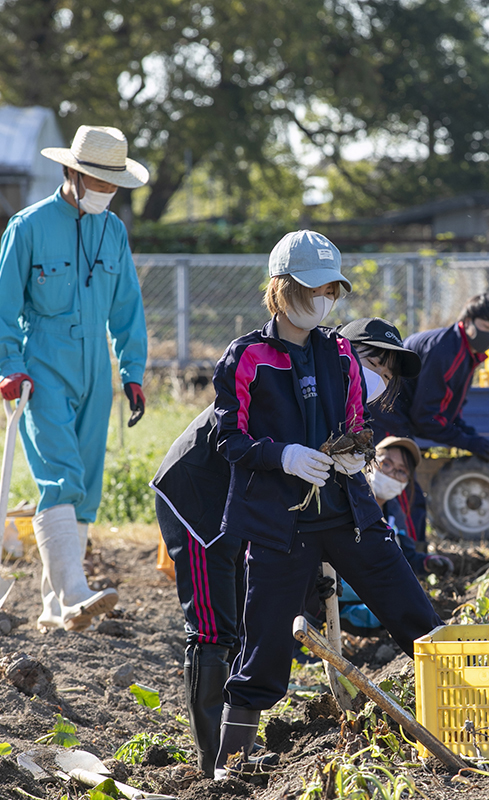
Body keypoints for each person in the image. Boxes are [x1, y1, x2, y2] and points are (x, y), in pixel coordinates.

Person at [212, 229, 442, 778]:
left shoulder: (339, 354)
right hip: (279, 524)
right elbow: (229, 439)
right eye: (312, 289)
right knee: (265, 641)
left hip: (348, 513)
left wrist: (352, 454)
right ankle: (233, 761)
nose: (322, 300)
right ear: (281, 288)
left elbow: (358, 424)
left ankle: (470, 716)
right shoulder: (248, 357)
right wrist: (284, 455)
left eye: (330, 292)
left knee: (412, 611)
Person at [151, 314, 423, 776]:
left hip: (254, 506)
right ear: (343, 350)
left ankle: (235, 748)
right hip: (202, 497)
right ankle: (214, 762)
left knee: (252, 613)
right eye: (373, 360)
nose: (381, 376)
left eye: (389, 372)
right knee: (216, 630)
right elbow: (239, 442)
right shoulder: (284, 370)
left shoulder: (340, 400)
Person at [0, 125, 149, 632]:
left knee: (84, 487)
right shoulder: (28, 226)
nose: (107, 192)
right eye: (99, 181)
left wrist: (132, 371)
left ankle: (53, 609)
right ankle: (74, 593)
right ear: (72, 172)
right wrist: (9, 366)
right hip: (40, 369)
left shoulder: (114, 231)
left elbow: (127, 306)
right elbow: (3, 307)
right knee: (59, 474)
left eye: (114, 184)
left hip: (96, 374)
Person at [369, 293, 489, 541]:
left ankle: (408, 555)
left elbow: (447, 411)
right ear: (468, 320)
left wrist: (468, 435)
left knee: (405, 496)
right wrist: (468, 442)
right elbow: (426, 418)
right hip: (387, 416)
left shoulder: (465, 352)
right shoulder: (447, 350)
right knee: (401, 493)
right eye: (487, 327)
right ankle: (411, 559)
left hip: (399, 418)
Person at [335, 435, 455, 636]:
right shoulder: (344, 501)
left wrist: (428, 563)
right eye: (387, 463)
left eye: (401, 471)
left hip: (372, 600)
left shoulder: (394, 514)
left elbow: (406, 557)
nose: (392, 473)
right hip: (332, 597)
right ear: (370, 461)